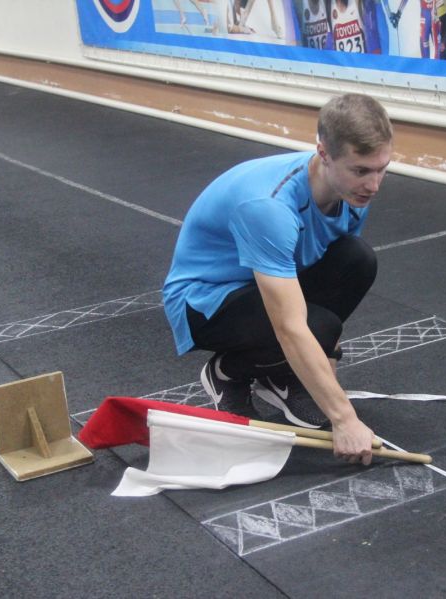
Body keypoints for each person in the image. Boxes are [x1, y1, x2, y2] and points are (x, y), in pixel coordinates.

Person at [162, 94, 393, 465]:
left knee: (357, 259)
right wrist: (344, 418)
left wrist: (325, 383)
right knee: (316, 325)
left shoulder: (349, 193)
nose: (374, 185)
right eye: (361, 171)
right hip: (205, 302)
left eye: (382, 168)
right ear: (324, 153)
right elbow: (290, 326)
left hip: (264, 283)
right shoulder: (269, 207)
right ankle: (227, 372)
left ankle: (277, 374)